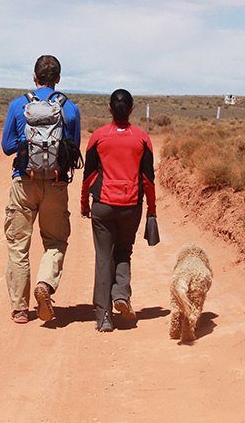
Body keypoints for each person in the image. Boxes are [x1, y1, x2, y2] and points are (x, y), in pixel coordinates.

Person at [1, 55, 81, 324]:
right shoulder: (70, 109)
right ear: (58, 79)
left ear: (34, 77)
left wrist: (26, 144)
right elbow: (73, 149)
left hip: (24, 181)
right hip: (56, 184)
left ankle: (21, 309)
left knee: (18, 246)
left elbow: (6, 146)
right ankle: (45, 285)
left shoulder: (18, 105)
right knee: (56, 242)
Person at [80, 89, 156, 332]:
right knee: (124, 250)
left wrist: (84, 203)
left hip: (103, 205)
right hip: (131, 207)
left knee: (104, 257)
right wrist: (152, 210)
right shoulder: (142, 138)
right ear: (132, 109)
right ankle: (121, 294)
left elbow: (88, 175)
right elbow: (148, 180)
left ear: (110, 109)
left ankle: (103, 316)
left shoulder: (99, 137)